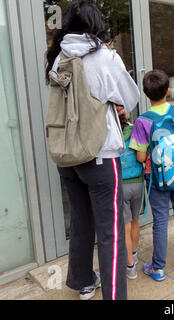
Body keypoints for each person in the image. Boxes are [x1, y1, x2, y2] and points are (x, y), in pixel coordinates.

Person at [45, 0, 140, 300]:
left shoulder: (57, 57)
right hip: (100, 155)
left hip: (67, 155)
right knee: (111, 234)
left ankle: (83, 281)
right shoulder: (105, 57)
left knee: (81, 221)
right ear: (96, 25)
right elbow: (131, 97)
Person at [129, 70, 174, 281]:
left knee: (160, 221)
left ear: (145, 93)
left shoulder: (142, 121)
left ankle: (158, 268)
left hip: (156, 178)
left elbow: (140, 157)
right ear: (168, 90)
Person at [119, 113, 144, 280]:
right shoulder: (136, 128)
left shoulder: (109, 132)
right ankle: (133, 254)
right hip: (138, 181)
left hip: (120, 183)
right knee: (135, 221)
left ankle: (130, 267)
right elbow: (141, 157)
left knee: (125, 227)